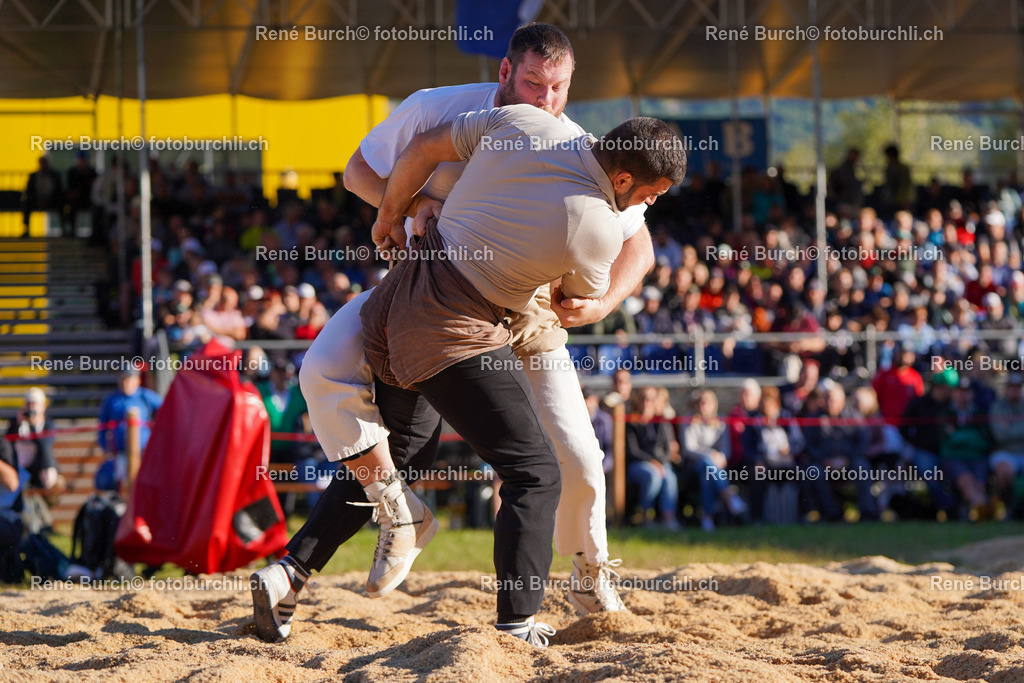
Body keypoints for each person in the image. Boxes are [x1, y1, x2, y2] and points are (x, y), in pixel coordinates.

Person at [251, 24, 664, 644]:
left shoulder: (570, 140)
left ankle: (589, 573)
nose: (546, 98)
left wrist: (602, 305)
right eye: (533, 83)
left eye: (559, 88)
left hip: (521, 315)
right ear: (504, 72)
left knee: (577, 458)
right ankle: (398, 515)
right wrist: (406, 206)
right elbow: (360, 168)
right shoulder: (445, 109)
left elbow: (640, 242)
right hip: (432, 296)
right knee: (327, 378)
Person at [359, 106, 683, 645]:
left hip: (396, 301)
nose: (648, 205)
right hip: (455, 326)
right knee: (535, 472)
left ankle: (293, 571)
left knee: (403, 445)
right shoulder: (598, 227)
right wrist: (582, 293)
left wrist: (390, 215)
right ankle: (515, 624)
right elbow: (568, 300)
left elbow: (420, 148)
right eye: (650, 195)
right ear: (624, 179)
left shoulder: (524, 123)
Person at [680, 389, 747, 532]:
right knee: (706, 463)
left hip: (715, 467)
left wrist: (721, 457)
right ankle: (729, 496)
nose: (704, 405)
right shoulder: (688, 420)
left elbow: (725, 448)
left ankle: (707, 518)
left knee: (707, 475)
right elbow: (689, 448)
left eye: (708, 402)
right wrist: (711, 454)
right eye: (701, 402)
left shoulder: (721, 421)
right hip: (692, 465)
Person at [96, 368, 163, 491]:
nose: (125, 383)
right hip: (120, 453)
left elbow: (165, 409)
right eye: (122, 379)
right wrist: (105, 447)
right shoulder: (112, 400)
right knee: (120, 485)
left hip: (144, 452)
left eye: (129, 379)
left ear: (137, 380)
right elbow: (102, 426)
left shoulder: (145, 396)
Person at [625, 387, 680, 529]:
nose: (646, 402)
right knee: (652, 475)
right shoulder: (631, 422)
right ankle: (645, 517)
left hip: (661, 464)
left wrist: (660, 463)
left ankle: (668, 518)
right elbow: (632, 451)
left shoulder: (662, 422)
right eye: (643, 398)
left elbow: (668, 450)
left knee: (670, 477)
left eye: (650, 399)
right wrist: (652, 462)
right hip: (638, 464)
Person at [5, 388, 58, 491]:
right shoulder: (17, 422)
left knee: (50, 476)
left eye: (34, 404)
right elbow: (7, 442)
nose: (31, 408)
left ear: (43, 406)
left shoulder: (48, 424)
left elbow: (45, 446)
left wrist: (33, 426)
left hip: (39, 468)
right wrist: (18, 424)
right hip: (20, 467)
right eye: (28, 404)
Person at [989, 373, 1024, 513]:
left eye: (1018, 387)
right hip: (1004, 452)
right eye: (1011, 387)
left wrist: (1010, 426)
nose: (1014, 390)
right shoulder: (997, 407)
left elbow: (1006, 432)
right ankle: (1009, 509)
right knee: (1004, 472)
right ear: (1006, 388)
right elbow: (1000, 436)